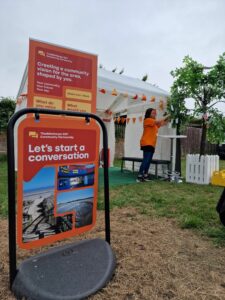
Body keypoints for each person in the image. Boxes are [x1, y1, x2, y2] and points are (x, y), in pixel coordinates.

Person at [136, 108, 169, 182]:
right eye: (153, 113)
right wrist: (167, 115)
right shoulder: (147, 120)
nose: (155, 114)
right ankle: (140, 175)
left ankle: (145, 175)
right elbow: (158, 121)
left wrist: (169, 118)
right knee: (146, 160)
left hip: (151, 143)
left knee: (148, 160)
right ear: (149, 114)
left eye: (155, 113)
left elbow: (163, 123)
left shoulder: (154, 124)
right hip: (146, 142)